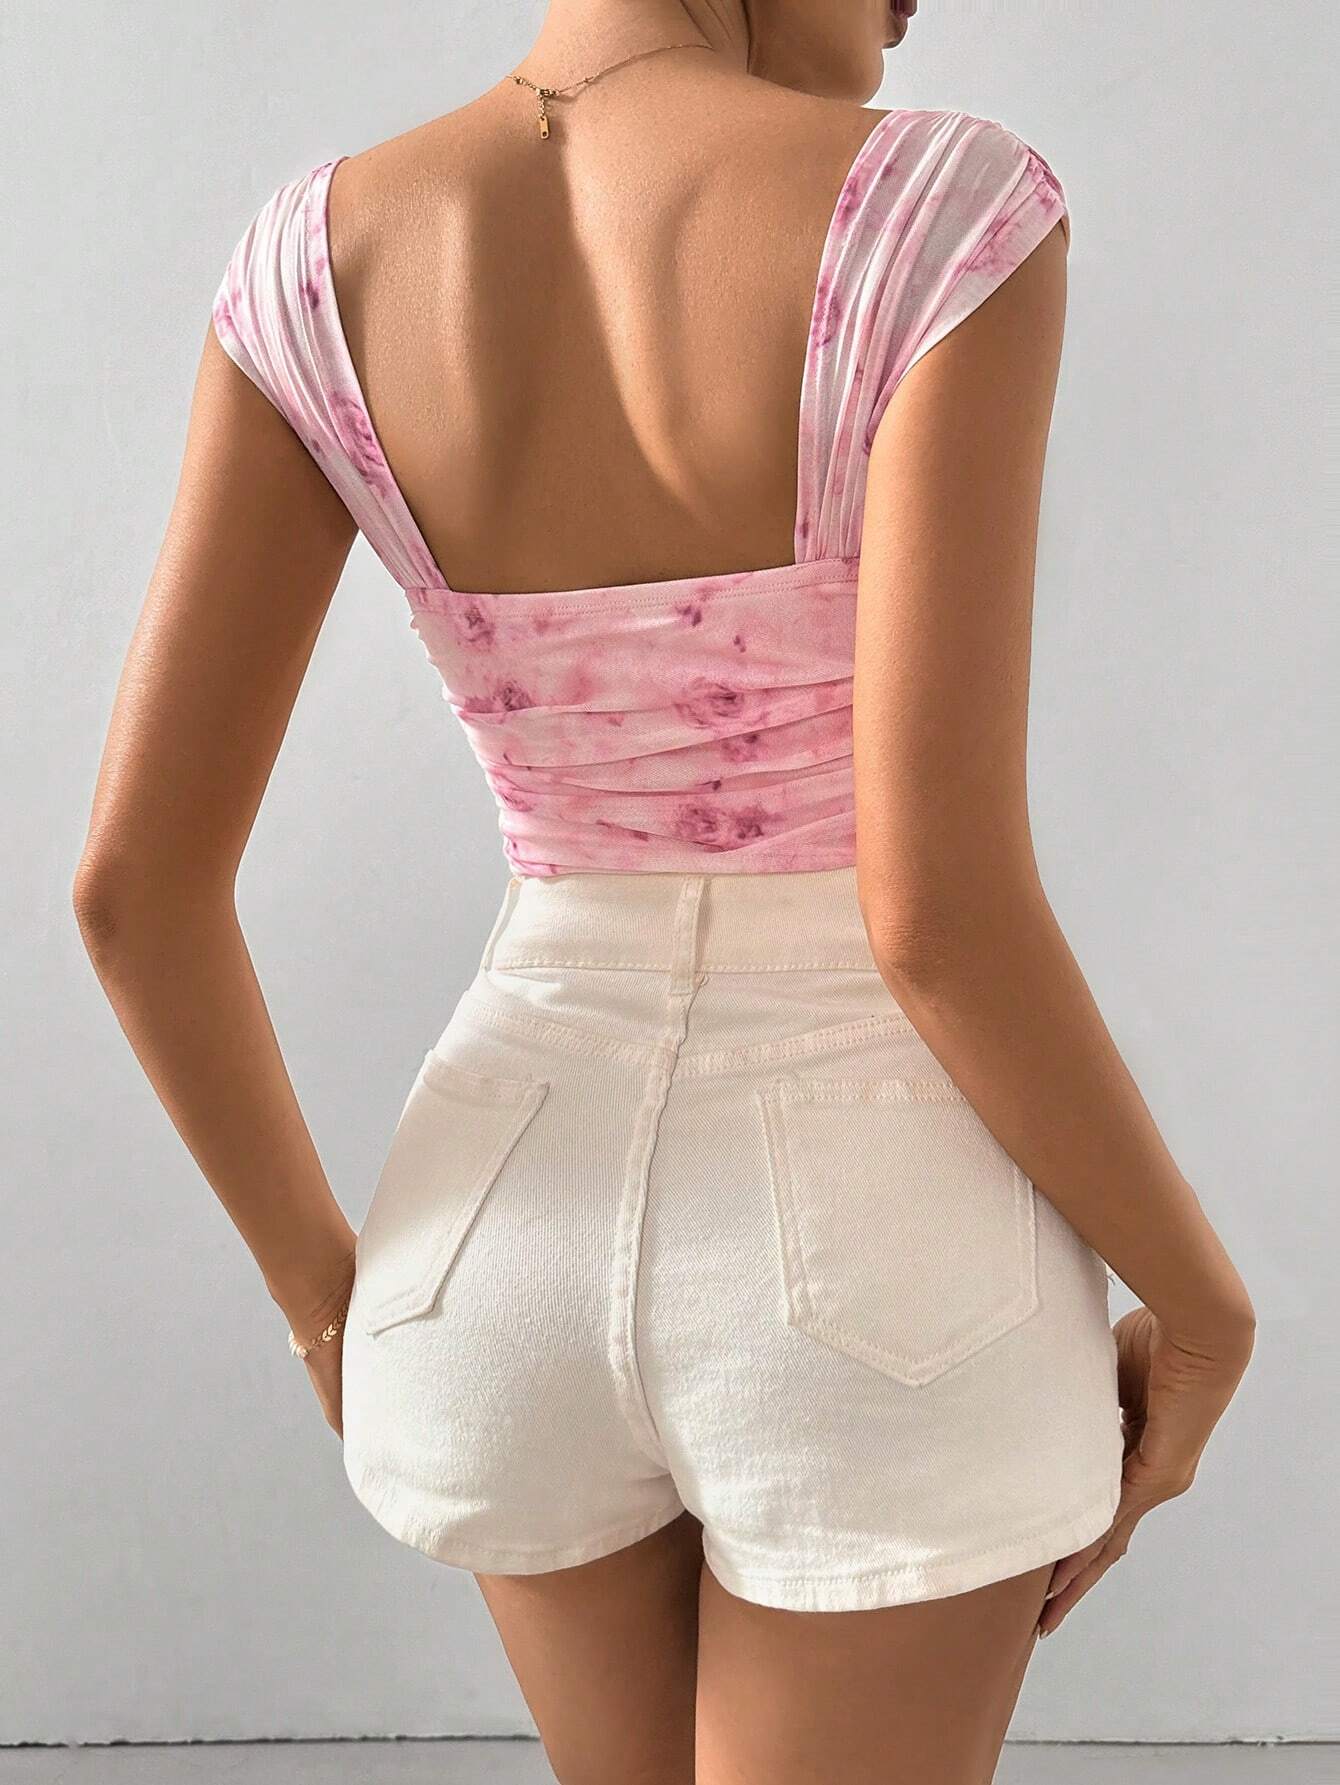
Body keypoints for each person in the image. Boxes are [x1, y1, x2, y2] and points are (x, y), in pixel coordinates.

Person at [73, 2, 1257, 1779]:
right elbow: (934, 913)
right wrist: (1204, 1308)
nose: (915, 2)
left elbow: (134, 891)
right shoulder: (936, 207)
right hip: (875, 1242)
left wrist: (328, 1302)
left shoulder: (312, 266)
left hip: (497, 1225)